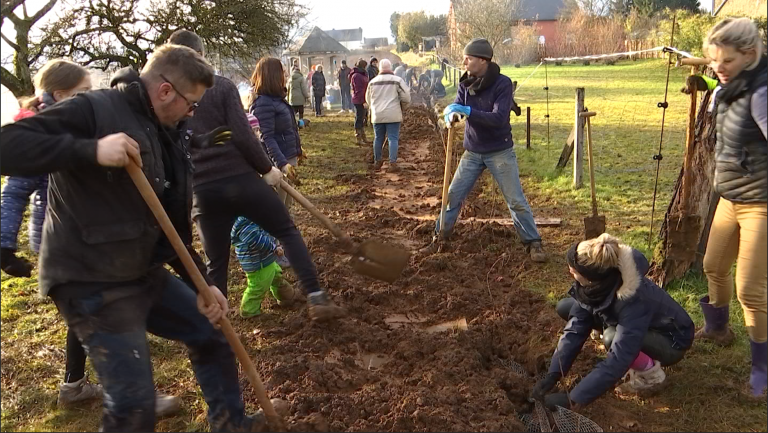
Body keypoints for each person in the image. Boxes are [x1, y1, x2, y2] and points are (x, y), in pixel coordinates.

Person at [0, 44, 270, 432]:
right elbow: (7, 146)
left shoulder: (169, 132)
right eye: (191, 103)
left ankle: (231, 423)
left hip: (140, 270)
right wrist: (90, 149)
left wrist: (203, 283)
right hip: (90, 277)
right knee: (134, 406)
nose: (193, 113)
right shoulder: (92, 109)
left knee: (210, 331)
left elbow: (172, 222)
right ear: (165, 92)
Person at [169, 32, 343, 322]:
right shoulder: (219, 86)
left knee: (216, 262)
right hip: (240, 179)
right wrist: (267, 169)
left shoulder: (165, 96)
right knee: (286, 230)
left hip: (203, 189)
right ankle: (316, 297)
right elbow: (243, 134)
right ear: (200, 55)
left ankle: (217, 329)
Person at [691, 18, 767, 398]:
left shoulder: (762, 93)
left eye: (726, 60)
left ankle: (762, 370)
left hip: (761, 204)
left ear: (750, 55)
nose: (717, 68)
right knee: (713, 266)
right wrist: (703, 83)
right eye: (713, 61)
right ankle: (718, 330)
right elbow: (722, 95)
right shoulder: (728, 87)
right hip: (730, 197)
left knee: (750, 290)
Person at [532, 234, 694, 409]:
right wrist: (554, 373)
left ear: (589, 277)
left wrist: (574, 399)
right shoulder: (597, 284)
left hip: (671, 340)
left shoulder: (632, 299)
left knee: (611, 337)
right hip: (633, 322)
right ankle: (619, 341)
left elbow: (619, 358)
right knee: (567, 307)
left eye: (573, 270)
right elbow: (575, 328)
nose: (570, 271)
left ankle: (651, 377)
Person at [422, 38, 547, 263]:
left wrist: (468, 110)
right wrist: (454, 115)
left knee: (515, 200)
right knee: (452, 196)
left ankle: (533, 242)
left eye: (468, 58)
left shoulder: (502, 84)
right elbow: (460, 108)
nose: (464, 61)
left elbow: (499, 118)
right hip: (472, 152)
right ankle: (440, 236)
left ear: (482, 60)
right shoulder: (465, 83)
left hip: (499, 151)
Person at [231, 217, 299, 317]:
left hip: (266, 258)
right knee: (258, 287)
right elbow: (255, 239)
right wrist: (273, 248)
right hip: (257, 263)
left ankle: (287, 296)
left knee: (276, 276)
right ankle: (249, 312)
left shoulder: (255, 214)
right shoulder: (245, 221)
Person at [366, 59, 410, 172]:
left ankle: (377, 161)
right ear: (390, 68)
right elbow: (406, 97)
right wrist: (402, 107)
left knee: (378, 138)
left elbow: (368, 99)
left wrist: (374, 107)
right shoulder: (397, 80)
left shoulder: (372, 82)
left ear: (379, 69)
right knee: (393, 138)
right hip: (393, 114)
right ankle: (392, 162)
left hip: (377, 115)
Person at [351, 58, 371, 146]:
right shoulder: (356, 76)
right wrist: (363, 101)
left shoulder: (362, 74)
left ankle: (363, 137)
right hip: (359, 100)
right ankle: (358, 138)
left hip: (362, 99)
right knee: (359, 118)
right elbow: (359, 90)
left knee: (362, 118)